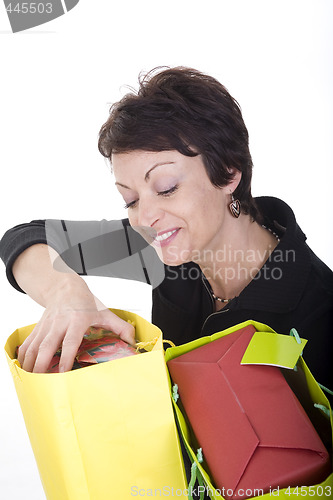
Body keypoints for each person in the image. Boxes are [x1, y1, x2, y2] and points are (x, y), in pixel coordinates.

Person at [0, 67, 332, 394]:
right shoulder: (161, 244)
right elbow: (25, 238)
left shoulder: (319, 308)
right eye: (129, 200)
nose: (144, 217)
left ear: (230, 172)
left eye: (166, 187)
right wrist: (67, 294)